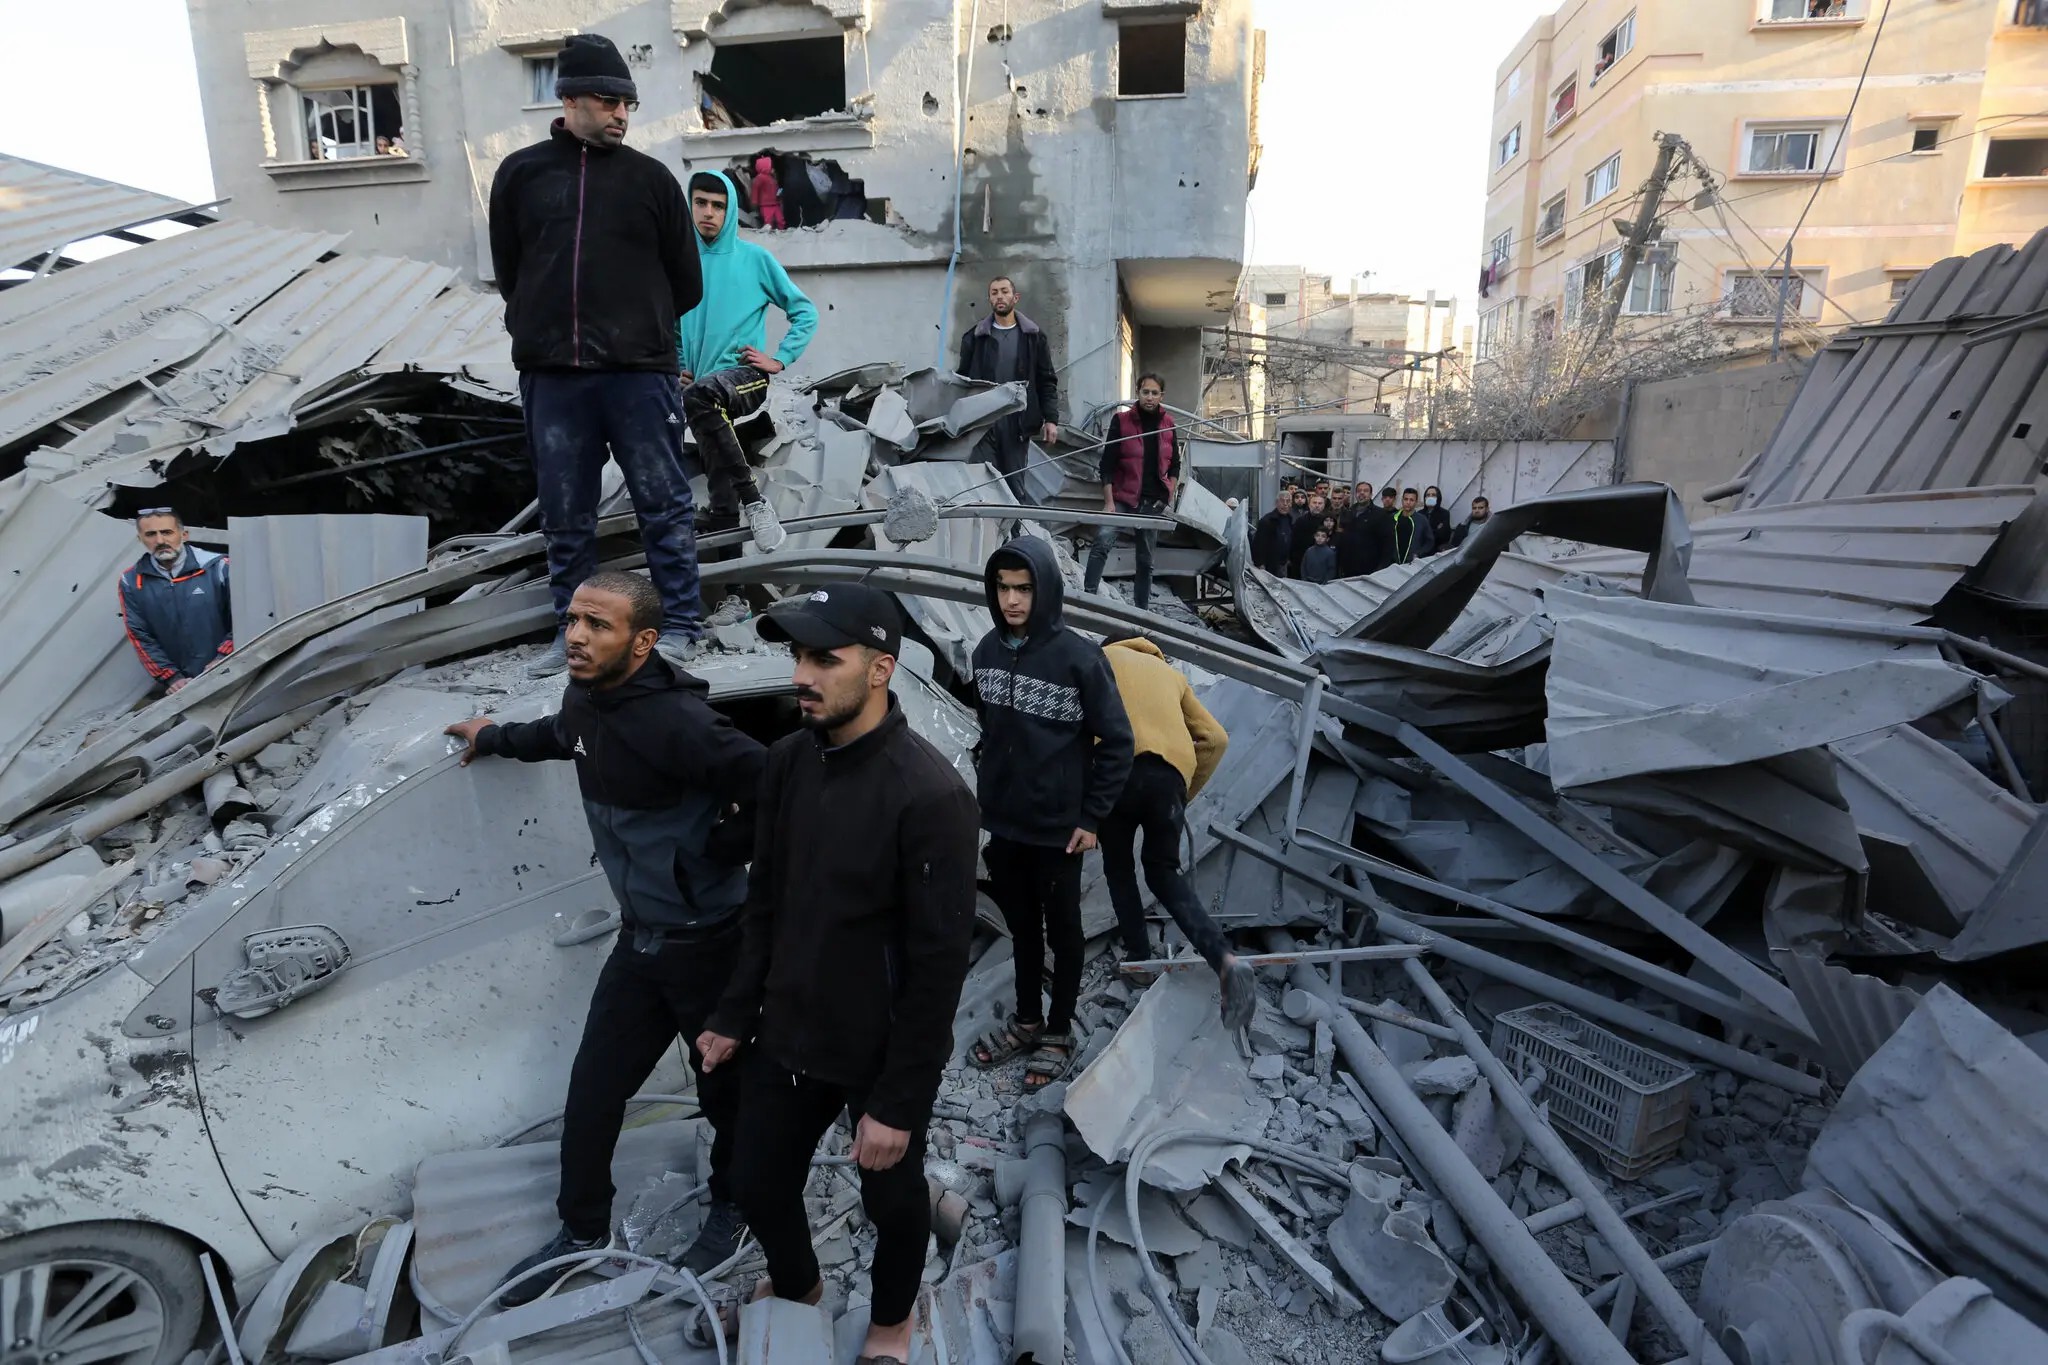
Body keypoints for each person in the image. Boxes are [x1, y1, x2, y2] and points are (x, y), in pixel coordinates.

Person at [442, 571, 766, 1303]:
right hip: (642, 941)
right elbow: (563, 737)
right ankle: (583, 1231)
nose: (577, 637)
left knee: (728, 1097)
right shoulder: (585, 697)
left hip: (712, 944)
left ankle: (738, 1208)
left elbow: (780, 785)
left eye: (598, 625)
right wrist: (494, 737)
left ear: (643, 641)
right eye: (573, 621)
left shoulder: (680, 723)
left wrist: (716, 849)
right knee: (592, 1095)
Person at [693, 583, 979, 1364]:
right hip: (790, 1028)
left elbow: (938, 969)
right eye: (798, 656)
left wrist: (897, 1103)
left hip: (877, 1050)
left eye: (825, 658)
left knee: (891, 1198)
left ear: (880, 668)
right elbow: (765, 901)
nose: (801, 675)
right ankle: (800, 1284)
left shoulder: (932, 796)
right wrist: (732, 1012)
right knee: (757, 1179)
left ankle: (891, 1323)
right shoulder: (789, 762)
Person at [488, 33, 706, 678]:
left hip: (638, 375)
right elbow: (511, 271)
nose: (621, 114)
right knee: (565, 516)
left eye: (627, 104)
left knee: (663, 504)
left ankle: (682, 623)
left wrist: (637, 329)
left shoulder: (651, 180)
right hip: (554, 376)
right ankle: (574, 634)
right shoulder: (521, 175)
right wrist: (545, 326)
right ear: (570, 99)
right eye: (609, 101)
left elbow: (687, 282)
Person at [968, 538, 1133, 1092]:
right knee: (1021, 930)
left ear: (1046, 590)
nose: (1012, 600)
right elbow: (989, 729)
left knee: (1064, 932)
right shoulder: (986, 652)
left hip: (1059, 830)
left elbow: (1118, 743)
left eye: (1024, 588)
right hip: (1004, 824)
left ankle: (1058, 1029)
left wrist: (1091, 817)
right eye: (1002, 588)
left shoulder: (1080, 659)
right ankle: (1027, 1020)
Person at [1099, 636, 1254, 1028]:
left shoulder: (1100, 658)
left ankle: (1139, 960)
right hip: (1169, 779)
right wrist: (1184, 791)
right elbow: (1216, 738)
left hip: (1115, 770)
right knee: (1163, 872)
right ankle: (1224, 959)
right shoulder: (1171, 675)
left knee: (1119, 869)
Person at [676, 170, 818, 557]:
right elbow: (671, 326)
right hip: (701, 392)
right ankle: (733, 586)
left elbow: (804, 312)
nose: (709, 212)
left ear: (731, 211)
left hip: (745, 378)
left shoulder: (754, 259)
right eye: (701, 203)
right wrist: (677, 365)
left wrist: (779, 359)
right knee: (720, 495)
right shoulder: (681, 264)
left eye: (718, 206)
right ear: (689, 206)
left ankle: (755, 501)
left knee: (702, 397)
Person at [957, 277, 1062, 503]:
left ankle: (1014, 526)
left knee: (1014, 486)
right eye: (994, 292)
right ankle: (989, 527)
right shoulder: (975, 338)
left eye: (1004, 291)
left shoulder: (1033, 338)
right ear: (989, 299)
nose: (999, 296)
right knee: (984, 486)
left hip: (1017, 423)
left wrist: (1051, 419)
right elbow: (962, 381)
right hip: (983, 423)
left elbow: (1046, 380)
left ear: (1015, 297)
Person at [1083, 373, 1177, 610]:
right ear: (1138, 393)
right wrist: (1109, 502)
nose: (1149, 397)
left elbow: (1175, 464)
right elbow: (1107, 464)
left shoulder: (1169, 424)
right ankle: (1088, 600)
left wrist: (1170, 492)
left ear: (1162, 396)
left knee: (1145, 561)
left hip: (1152, 503)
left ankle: (1140, 612)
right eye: (1145, 392)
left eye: (1154, 393)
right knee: (1102, 543)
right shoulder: (1122, 421)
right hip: (1123, 497)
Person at [119, 509, 232, 694]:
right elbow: (140, 635)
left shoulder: (218, 567)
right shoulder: (131, 581)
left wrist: (223, 659)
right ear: (140, 539)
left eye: (167, 532)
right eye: (150, 534)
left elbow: (244, 619)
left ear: (184, 535)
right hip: (182, 688)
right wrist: (172, 678)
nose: (160, 541)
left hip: (231, 672)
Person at [1338, 486, 1394, 578]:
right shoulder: (1349, 512)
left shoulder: (1380, 515)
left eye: (1365, 491)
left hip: (1370, 570)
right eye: (1359, 491)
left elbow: (1388, 543)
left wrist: (1381, 567)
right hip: (1348, 569)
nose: (1362, 493)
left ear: (1371, 494)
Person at [1251, 488, 1294, 576]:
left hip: (1284, 564)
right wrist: (1260, 563)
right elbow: (1258, 544)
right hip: (1269, 564)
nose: (1285, 504)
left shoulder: (1290, 519)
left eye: (1288, 501)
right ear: (1276, 503)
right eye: (1282, 501)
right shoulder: (1267, 521)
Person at [1287, 491, 1328, 578]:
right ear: (1309, 505)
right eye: (1314, 503)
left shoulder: (1327, 521)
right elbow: (1293, 540)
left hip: (1320, 561)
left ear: (1324, 506)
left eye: (1320, 503)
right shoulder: (1300, 521)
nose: (1317, 505)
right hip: (1300, 559)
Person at [1394, 487, 1436, 563]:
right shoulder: (1394, 518)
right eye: (1406, 499)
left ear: (1416, 502)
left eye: (1411, 500)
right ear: (1402, 500)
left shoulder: (1422, 520)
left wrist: (1418, 554)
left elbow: (1430, 541)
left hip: (1412, 563)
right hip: (1393, 563)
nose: (1408, 502)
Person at [749, 155, 784, 229]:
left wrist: (779, 194)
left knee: (780, 220)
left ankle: (781, 231)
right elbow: (755, 190)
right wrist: (754, 202)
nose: (772, 168)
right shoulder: (759, 178)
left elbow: (777, 188)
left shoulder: (772, 177)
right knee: (768, 221)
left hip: (775, 203)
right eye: (770, 166)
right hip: (765, 204)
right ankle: (768, 233)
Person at [1421, 485, 1453, 555]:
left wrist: (1426, 532)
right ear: (1425, 498)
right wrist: (1436, 529)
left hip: (1437, 550)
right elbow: (1418, 534)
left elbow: (1444, 535)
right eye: (1428, 495)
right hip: (1421, 549)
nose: (1430, 497)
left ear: (1438, 498)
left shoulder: (1444, 513)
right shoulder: (1420, 514)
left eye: (1433, 495)